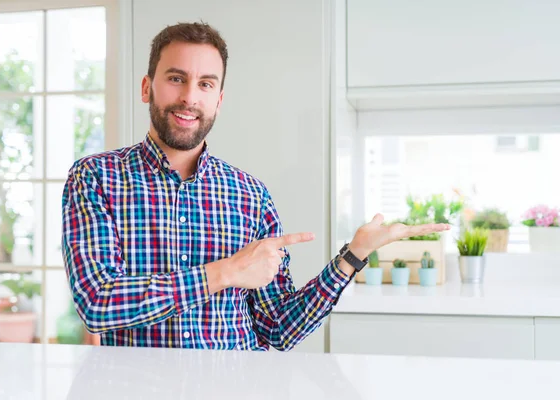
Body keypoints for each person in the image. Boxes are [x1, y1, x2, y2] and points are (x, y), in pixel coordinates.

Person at [61, 22, 449, 351]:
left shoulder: (250, 196)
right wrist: (225, 272)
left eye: (206, 84)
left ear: (219, 100)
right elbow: (98, 302)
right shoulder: (95, 178)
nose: (189, 97)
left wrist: (353, 255)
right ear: (147, 87)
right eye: (176, 78)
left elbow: (277, 329)